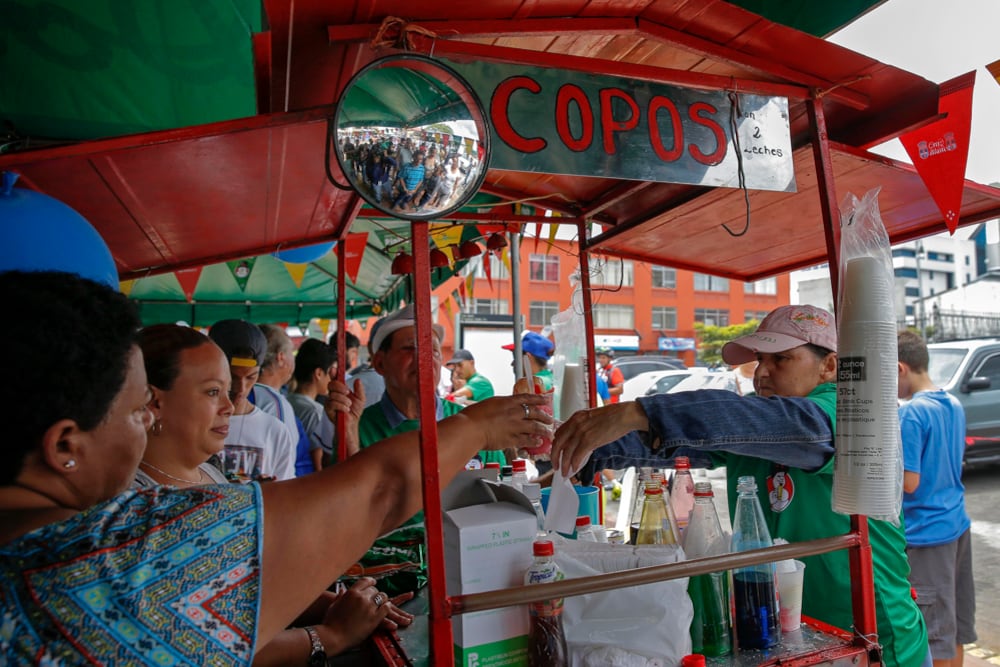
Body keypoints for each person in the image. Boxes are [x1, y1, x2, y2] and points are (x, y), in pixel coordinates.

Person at [0, 270, 551, 665]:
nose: (146, 421)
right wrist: (476, 427)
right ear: (65, 444)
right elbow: (379, 490)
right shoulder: (97, 561)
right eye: (137, 409)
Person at [553, 305, 928, 667]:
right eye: (759, 360)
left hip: (874, 637)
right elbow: (671, 441)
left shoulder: (847, 411)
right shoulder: (754, 424)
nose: (761, 372)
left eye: (780, 359)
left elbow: (791, 427)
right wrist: (575, 448)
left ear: (829, 366)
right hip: (794, 631)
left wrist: (637, 411)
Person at [333, 306, 507, 595]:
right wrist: (349, 439)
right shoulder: (357, 427)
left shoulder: (473, 425)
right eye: (410, 348)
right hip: (386, 588)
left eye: (433, 351)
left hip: (470, 579)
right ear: (379, 362)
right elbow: (343, 516)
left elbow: (502, 506)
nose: (425, 358)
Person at [897, 330, 976, 667]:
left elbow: (909, 483)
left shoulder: (911, 414)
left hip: (926, 535)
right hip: (956, 524)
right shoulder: (952, 403)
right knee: (954, 628)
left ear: (899, 369)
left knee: (932, 634)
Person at [132, 324, 233, 488]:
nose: (229, 408)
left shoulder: (213, 474)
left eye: (228, 391)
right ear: (154, 402)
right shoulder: (128, 493)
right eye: (213, 392)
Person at [209, 320, 298, 481]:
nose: (241, 388)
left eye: (251, 377)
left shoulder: (274, 431)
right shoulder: (195, 424)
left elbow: (285, 489)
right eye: (232, 377)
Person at [256, 323, 316, 476]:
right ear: (281, 358)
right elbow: (283, 468)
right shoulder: (275, 404)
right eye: (291, 352)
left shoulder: (244, 395)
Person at [289, 337, 337, 470]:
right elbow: (318, 464)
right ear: (319, 373)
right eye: (331, 373)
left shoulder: (285, 401)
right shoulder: (315, 412)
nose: (333, 379)